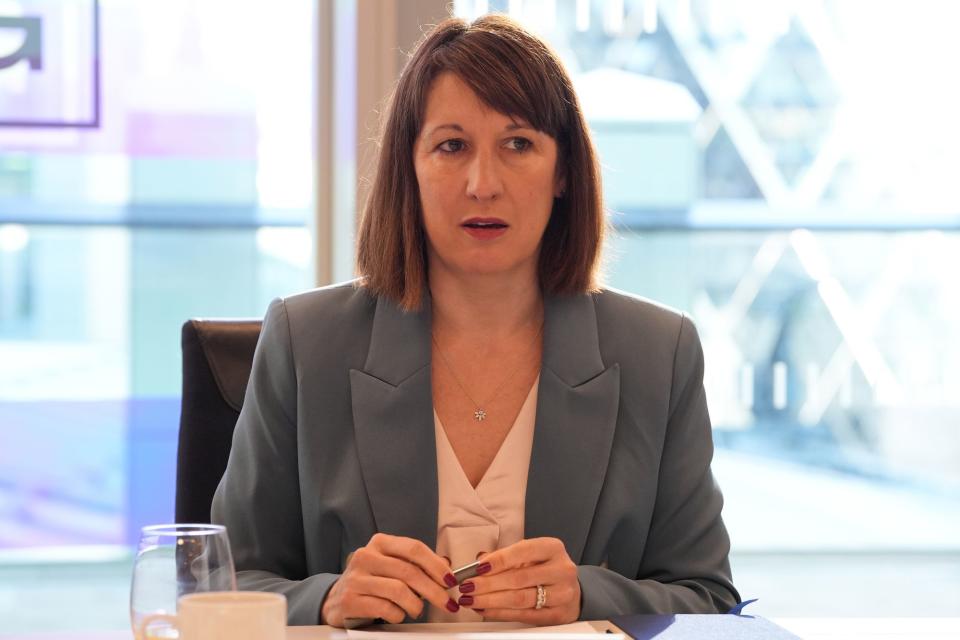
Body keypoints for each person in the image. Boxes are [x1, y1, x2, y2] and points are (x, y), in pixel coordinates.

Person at [211, 13, 739, 627]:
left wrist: (588, 596)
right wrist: (327, 598)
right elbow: (219, 586)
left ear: (564, 171)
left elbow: (709, 600)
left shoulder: (659, 352)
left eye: (518, 144)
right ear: (409, 166)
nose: (483, 184)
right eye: (451, 146)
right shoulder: (306, 342)